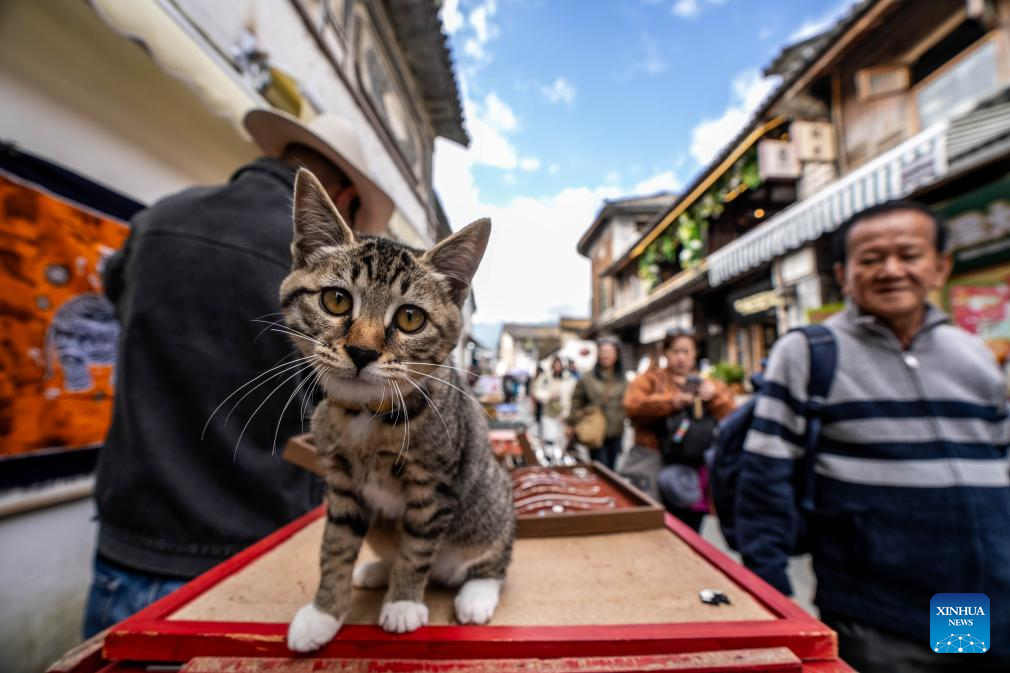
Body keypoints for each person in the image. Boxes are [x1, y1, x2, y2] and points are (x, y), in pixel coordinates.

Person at [83, 110, 395, 636]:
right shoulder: (319, 261)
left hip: (130, 542)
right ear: (344, 198)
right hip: (257, 549)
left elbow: (117, 308)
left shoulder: (156, 220)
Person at [736, 201, 1010, 673]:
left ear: (940, 267)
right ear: (843, 275)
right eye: (870, 259)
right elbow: (764, 484)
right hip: (874, 609)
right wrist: (774, 600)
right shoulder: (807, 354)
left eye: (909, 255)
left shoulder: (976, 358)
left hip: (973, 603)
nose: (891, 271)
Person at [622, 330, 735, 530]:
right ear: (665, 353)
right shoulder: (649, 380)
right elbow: (632, 407)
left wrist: (715, 396)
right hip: (654, 459)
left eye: (686, 351)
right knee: (656, 522)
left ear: (694, 354)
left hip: (693, 466)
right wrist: (672, 402)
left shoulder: (707, 383)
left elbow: (732, 415)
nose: (681, 357)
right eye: (676, 351)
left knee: (692, 526)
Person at [567, 338, 627, 469]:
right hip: (594, 429)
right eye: (602, 351)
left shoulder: (623, 380)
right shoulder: (587, 378)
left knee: (612, 469)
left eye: (609, 351)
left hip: (616, 431)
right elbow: (576, 402)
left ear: (617, 355)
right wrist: (571, 424)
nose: (605, 355)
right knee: (600, 468)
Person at [533, 357, 577, 463]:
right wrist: (548, 396)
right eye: (555, 364)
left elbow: (573, 397)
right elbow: (536, 391)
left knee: (561, 439)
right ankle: (549, 458)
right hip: (549, 412)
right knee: (549, 437)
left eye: (559, 365)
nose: (557, 367)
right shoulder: (546, 378)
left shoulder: (570, 379)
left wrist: (568, 412)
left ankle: (559, 459)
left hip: (564, 414)